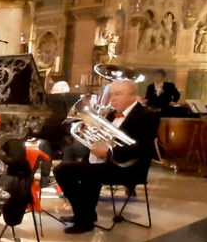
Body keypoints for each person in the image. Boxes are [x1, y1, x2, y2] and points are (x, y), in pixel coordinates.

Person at [53, 80, 161, 234]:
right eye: (111, 94)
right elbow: (101, 139)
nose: (112, 99)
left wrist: (110, 152)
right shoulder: (110, 114)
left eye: (118, 94)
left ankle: (85, 218)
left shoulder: (147, 115)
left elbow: (143, 148)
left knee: (64, 171)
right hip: (106, 163)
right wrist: (88, 133)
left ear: (132, 96)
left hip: (129, 168)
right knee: (75, 170)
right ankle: (85, 215)